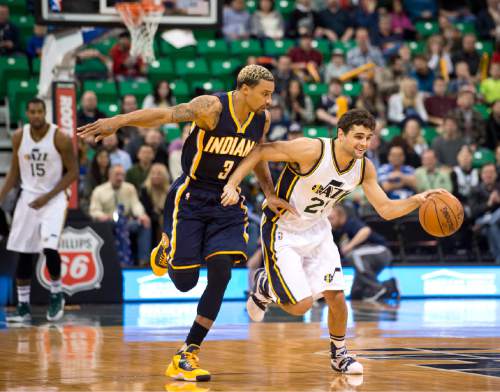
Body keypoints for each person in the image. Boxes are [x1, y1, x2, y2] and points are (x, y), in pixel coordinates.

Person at [78, 65, 292, 381]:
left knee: (221, 273)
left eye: (272, 95)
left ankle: (187, 352)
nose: (269, 101)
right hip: (191, 196)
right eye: (265, 94)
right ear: (244, 89)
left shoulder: (262, 119)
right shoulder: (211, 108)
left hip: (226, 201)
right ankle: (166, 246)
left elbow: (256, 155)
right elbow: (163, 115)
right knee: (185, 282)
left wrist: (270, 193)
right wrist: (118, 122)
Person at [221, 109, 445, 374]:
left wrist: (416, 201)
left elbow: (385, 209)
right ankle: (265, 285)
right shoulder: (311, 150)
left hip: (318, 230)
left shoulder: (364, 167)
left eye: (369, 137)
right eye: (358, 136)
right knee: (300, 305)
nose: (364, 143)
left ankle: (339, 355)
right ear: (341, 134)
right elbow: (260, 151)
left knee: (336, 297)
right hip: (283, 228)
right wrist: (233, 185)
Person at [0, 98, 78, 322]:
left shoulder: (59, 137)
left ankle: (57, 295)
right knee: (23, 251)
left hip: (53, 197)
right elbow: (14, 173)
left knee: (49, 247)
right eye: (32, 111)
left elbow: (72, 173)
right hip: (28, 197)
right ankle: (23, 306)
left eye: (39, 111)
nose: (35, 115)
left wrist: (47, 197)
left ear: (45, 113)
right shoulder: (18, 137)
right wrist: (1, 196)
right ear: (26, 113)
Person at [329, 204, 398, 302]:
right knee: (356, 294)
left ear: (341, 215)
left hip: (381, 251)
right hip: (365, 259)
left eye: (331, 218)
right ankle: (390, 285)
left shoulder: (351, 222)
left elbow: (366, 230)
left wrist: (349, 246)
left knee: (353, 254)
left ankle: (377, 288)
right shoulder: (336, 231)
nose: (329, 222)